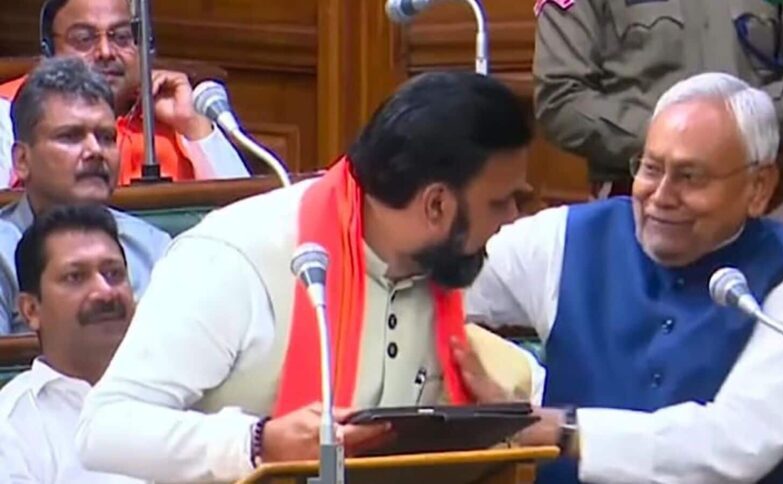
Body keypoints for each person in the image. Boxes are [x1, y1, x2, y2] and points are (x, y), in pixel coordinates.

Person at [75, 70, 542, 483]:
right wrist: (257, 444)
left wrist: (486, 419)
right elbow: (105, 429)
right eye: (500, 202)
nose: (512, 218)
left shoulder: (448, 260)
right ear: (436, 204)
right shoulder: (237, 257)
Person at [467, 72, 783, 482]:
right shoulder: (562, 238)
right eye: (650, 168)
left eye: (689, 177)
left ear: (758, 187)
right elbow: (443, 284)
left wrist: (568, 431)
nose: (661, 196)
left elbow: (739, 440)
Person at [533, 0, 783, 197]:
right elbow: (561, 96)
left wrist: (741, 133)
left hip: (757, 198)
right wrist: (675, 144)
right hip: (639, 199)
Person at [0, 57, 170, 335]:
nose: (95, 151)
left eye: (106, 137)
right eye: (70, 136)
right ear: (22, 160)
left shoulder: (153, 249)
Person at [0, 0, 249, 185]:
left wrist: (195, 128)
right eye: (84, 39)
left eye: (122, 37)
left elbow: (243, 218)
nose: (106, 52)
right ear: (49, 51)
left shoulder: (175, 107)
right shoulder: (9, 108)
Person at [0, 204, 143, 483]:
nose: (104, 291)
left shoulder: (183, 389)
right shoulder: (11, 427)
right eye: (75, 277)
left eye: (114, 273)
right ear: (31, 310)